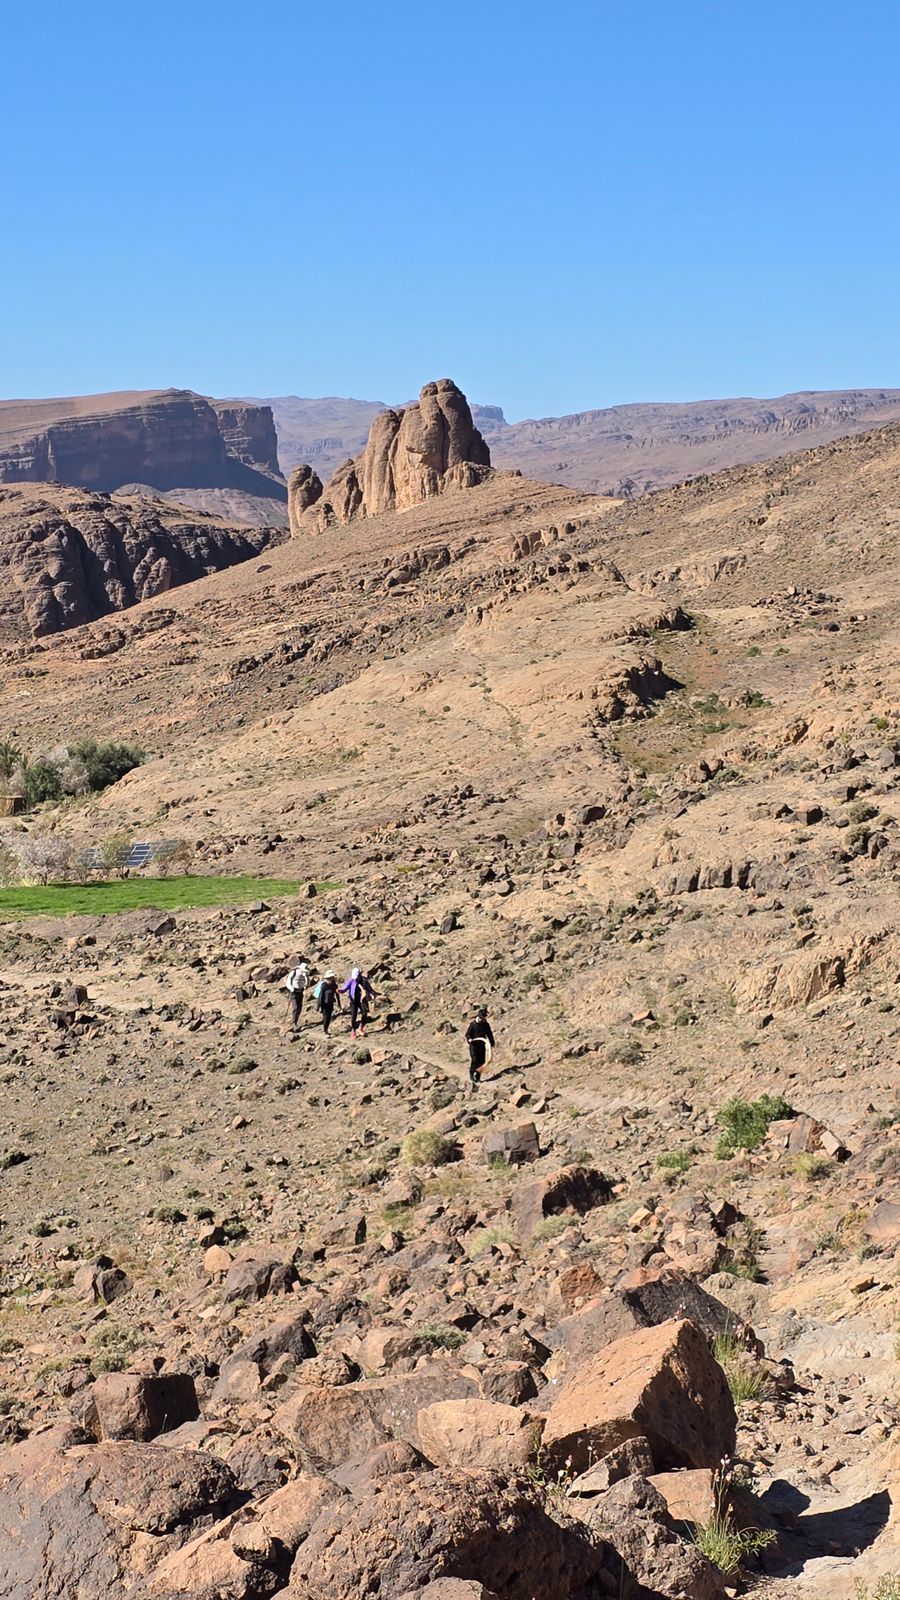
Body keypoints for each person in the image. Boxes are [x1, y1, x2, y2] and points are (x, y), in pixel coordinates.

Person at [340, 966, 375, 1037]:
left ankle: (360, 1028)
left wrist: (371, 994)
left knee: (364, 1013)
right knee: (354, 1016)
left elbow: (368, 988)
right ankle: (353, 1030)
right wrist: (340, 991)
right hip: (353, 1001)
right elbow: (345, 988)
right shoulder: (351, 980)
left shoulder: (363, 980)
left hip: (362, 999)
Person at [466, 1005, 495, 1086]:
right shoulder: (473, 1024)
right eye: (482, 1017)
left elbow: (489, 1034)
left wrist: (492, 1043)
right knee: (475, 1060)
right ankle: (472, 1075)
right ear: (479, 1016)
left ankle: (477, 1077)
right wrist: (469, 1039)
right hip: (474, 1046)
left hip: (482, 1046)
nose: (483, 1019)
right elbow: (468, 1034)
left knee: (481, 1062)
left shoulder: (486, 1025)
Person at [282, 960, 310, 1031]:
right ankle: (294, 1023)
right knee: (296, 1007)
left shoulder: (304, 974)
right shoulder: (294, 972)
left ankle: (295, 1021)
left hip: (300, 991)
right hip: (293, 991)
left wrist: (306, 978)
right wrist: (292, 989)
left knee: (299, 1007)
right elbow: (288, 982)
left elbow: (307, 983)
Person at [314, 970, 341, 1035]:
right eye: (333, 977)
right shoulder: (324, 985)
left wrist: (339, 1004)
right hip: (324, 1004)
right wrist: (319, 1006)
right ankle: (325, 1030)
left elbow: (337, 995)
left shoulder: (334, 985)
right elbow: (321, 995)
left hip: (330, 1003)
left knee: (329, 1017)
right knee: (326, 1017)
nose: (334, 978)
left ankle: (326, 1030)